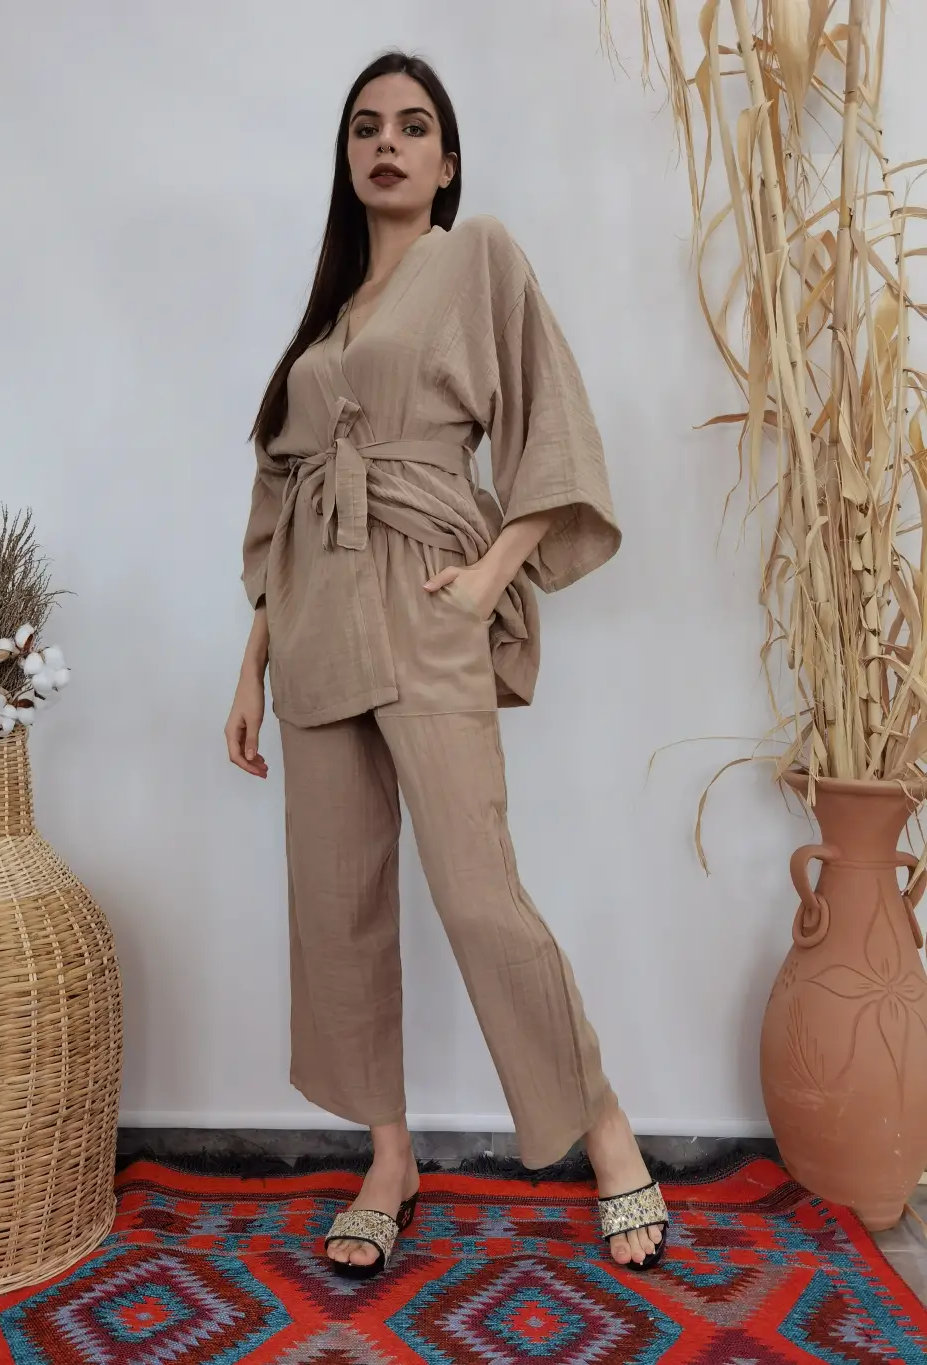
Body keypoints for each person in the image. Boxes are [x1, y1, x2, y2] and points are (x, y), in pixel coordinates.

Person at [227, 49, 668, 1281]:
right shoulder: (325, 324)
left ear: (447, 159)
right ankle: (389, 1158)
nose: (387, 143)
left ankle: (605, 1130)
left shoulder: (477, 259)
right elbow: (279, 500)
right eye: (366, 126)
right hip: (313, 618)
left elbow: (550, 422)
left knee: (478, 893)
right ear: (346, 156)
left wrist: (488, 578)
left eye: (413, 126)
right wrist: (250, 662)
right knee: (338, 902)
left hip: (425, 598)